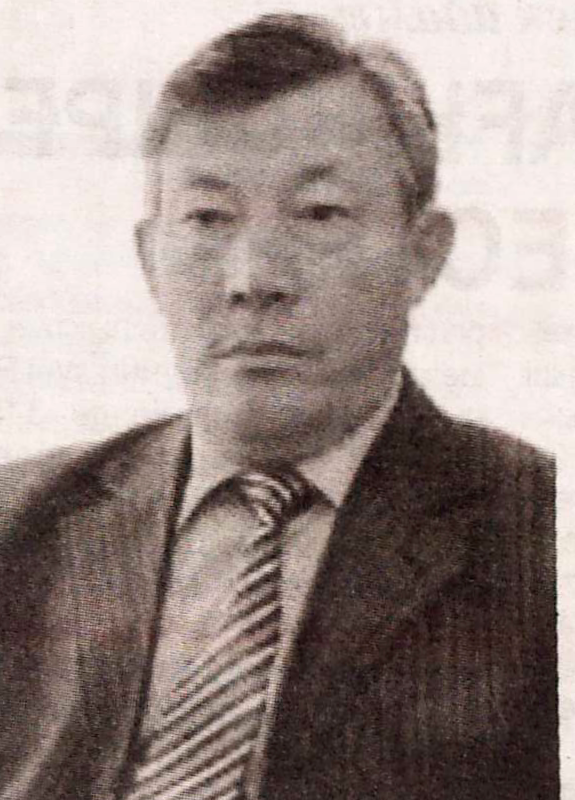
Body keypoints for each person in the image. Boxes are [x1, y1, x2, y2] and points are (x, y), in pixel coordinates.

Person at [0, 12, 558, 800]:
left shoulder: (536, 537)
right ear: (149, 260)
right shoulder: (22, 525)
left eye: (318, 213)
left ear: (423, 254)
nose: (253, 279)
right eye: (207, 219)